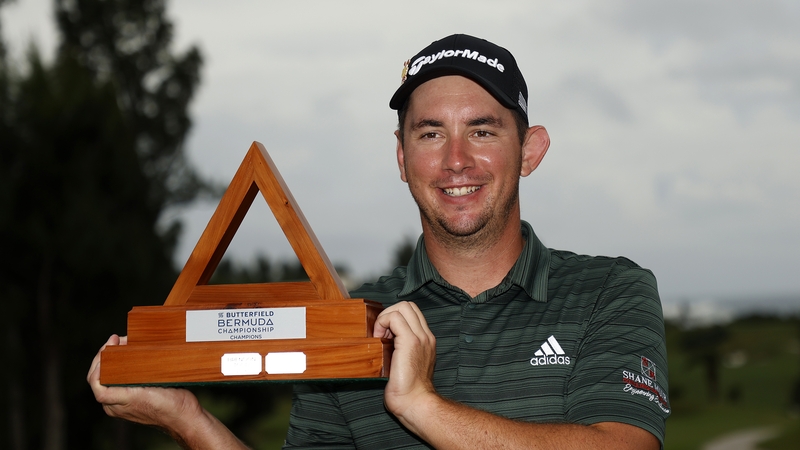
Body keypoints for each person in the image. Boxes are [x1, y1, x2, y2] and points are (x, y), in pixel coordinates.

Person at [89, 34, 670, 449]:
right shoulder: (349, 324)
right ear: (402, 157)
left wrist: (420, 405)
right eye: (430, 132)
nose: (456, 160)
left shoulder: (611, 292)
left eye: (483, 130)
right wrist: (189, 420)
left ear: (531, 149)